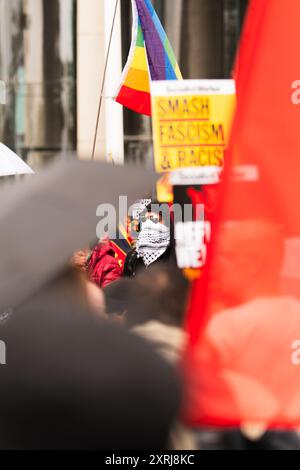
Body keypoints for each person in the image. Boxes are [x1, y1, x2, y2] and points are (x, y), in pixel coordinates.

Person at [124, 202, 172, 277]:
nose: (148, 225)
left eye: (154, 220)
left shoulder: (174, 256)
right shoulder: (132, 257)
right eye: (145, 220)